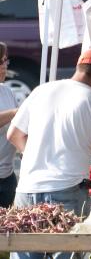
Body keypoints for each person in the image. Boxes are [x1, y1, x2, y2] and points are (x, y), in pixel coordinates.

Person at [8, 49, 91, 259]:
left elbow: (14, 134)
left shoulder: (41, 90)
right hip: (66, 194)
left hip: (27, 191)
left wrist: (33, 155)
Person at [0, 43, 18, 207]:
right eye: (3, 61)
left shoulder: (6, 91)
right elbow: (14, 114)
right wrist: (14, 112)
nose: (6, 66)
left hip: (7, 177)